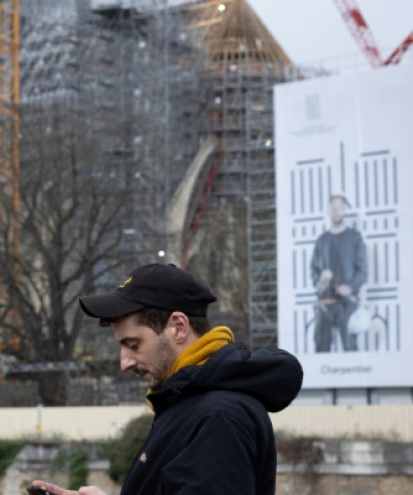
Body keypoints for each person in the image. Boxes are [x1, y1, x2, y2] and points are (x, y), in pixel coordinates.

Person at [31, 263, 303, 495]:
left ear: (178, 327)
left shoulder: (217, 418)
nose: (124, 363)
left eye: (133, 344)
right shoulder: (189, 404)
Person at [310, 195, 367, 352]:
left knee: (350, 347)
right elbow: (314, 269)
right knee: (321, 348)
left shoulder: (355, 238)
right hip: (325, 303)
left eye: (340, 207)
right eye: (333, 207)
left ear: (344, 210)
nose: (336, 211)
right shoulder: (322, 240)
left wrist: (350, 287)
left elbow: (363, 271)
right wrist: (318, 283)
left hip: (347, 303)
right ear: (328, 210)